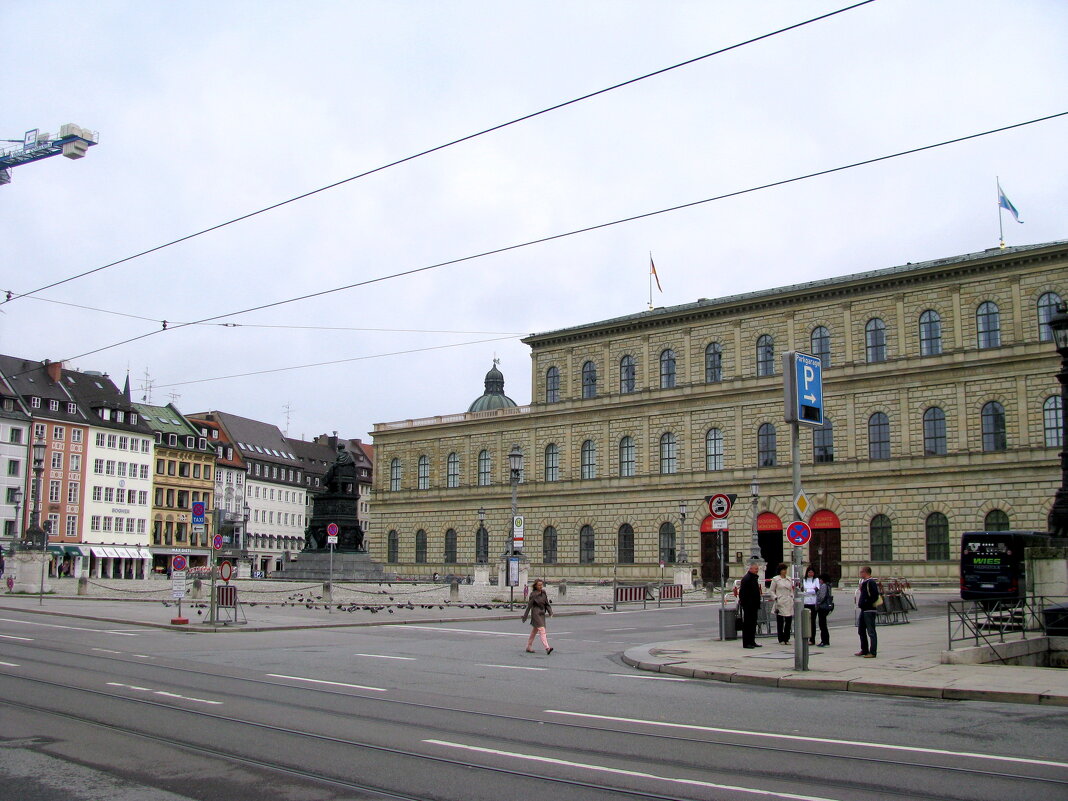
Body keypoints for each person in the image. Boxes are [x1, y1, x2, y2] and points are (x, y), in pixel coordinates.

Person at [522, 578, 554, 654]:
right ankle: (547, 648)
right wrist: (525, 616)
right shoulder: (533, 594)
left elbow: (547, 604)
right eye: (539, 585)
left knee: (534, 631)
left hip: (542, 613)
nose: (540, 586)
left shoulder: (543, 593)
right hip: (536, 613)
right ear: (535, 586)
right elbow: (529, 606)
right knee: (542, 630)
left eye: (541, 585)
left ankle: (528, 646)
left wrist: (550, 612)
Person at [738, 561, 764, 649]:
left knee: (753, 624)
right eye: (756, 569)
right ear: (751, 569)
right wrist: (745, 604)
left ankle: (752, 641)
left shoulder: (753, 578)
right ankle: (746, 643)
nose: (757, 570)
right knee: (748, 624)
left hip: (754, 605)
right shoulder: (747, 578)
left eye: (758, 569)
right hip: (749, 605)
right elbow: (742, 593)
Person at [855, 565, 880, 658]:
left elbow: (875, 596)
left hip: (869, 610)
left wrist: (866, 602)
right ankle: (864, 649)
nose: (860, 574)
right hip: (864, 610)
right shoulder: (864, 582)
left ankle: (873, 652)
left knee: (871, 631)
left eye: (861, 572)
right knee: (861, 630)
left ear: (866, 573)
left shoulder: (871, 582)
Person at [769, 563, 794, 645]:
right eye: (783, 570)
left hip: (788, 601)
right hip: (780, 601)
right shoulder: (775, 579)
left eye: (785, 569)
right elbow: (771, 590)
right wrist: (776, 598)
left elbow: (791, 590)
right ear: (780, 571)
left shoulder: (789, 579)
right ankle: (781, 639)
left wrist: (792, 596)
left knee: (788, 620)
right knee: (780, 621)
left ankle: (787, 638)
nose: (784, 571)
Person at [814, 572, 833, 647]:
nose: (819, 581)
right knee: (823, 624)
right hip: (826, 606)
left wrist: (818, 603)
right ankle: (825, 640)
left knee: (822, 625)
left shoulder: (824, 586)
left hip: (822, 607)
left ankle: (824, 641)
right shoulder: (828, 586)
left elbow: (822, 596)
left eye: (820, 579)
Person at [802, 566, 819, 645]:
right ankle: (805, 637)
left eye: (812, 572)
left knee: (812, 622)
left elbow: (816, 590)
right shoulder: (804, 580)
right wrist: (810, 590)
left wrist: (807, 591)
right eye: (809, 572)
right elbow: (802, 591)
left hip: (813, 603)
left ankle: (812, 639)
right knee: (805, 621)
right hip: (806, 603)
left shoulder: (816, 580)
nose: (811, 574)